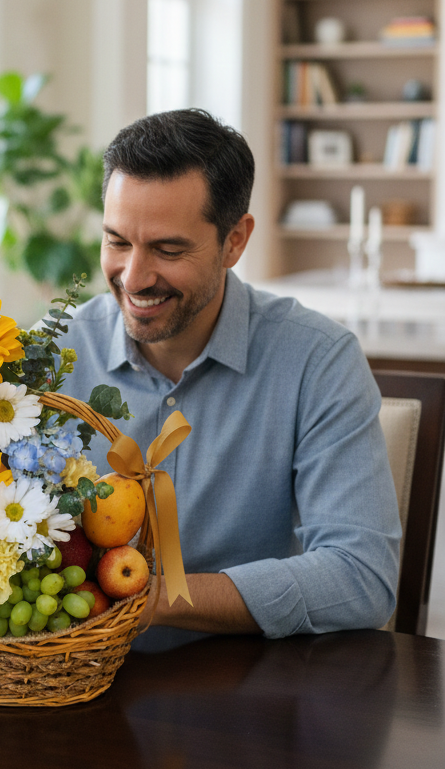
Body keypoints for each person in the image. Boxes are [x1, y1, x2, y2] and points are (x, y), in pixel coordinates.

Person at [60, 109, 401, 650]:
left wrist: (150, 598)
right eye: (118, 241)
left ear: (235, 241)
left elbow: (361, 577)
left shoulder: (318, 361)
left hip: (245, 697)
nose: (136, 276)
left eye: (169, 250)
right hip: (64, 688)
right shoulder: (52, 357)